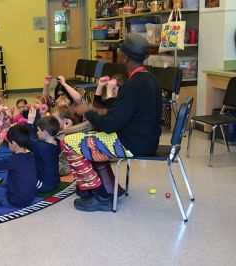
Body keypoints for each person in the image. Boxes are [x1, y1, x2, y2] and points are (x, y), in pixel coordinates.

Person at [60, 34, 162, 212]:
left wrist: (87, 110)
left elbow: (108, 125)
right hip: (147, 141)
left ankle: (102, 195)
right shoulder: (150, 79)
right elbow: (124, 112)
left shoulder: (134, 85)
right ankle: (107, 186)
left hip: (132, 144)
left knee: (68, 142)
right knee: (88, 138)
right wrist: (107, 100)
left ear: (125, 57)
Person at [0, 125, 37, 208]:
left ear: (14, 143)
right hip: (29, 198)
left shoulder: (13, 160)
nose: (7, 144)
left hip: (13, 201)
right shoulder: (31, 155)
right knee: (12, 170)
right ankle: (0, 186)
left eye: (8, 142)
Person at [26, 110, 61, 192]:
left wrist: (29, 122)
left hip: (44, 184)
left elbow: (26, 140)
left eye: (38, 130)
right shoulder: (56, 142)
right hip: (54, 181)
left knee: (19, 176)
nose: (37, 132)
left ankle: (4, 184)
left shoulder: (42, 147)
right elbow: (34, 138)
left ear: (45, 132)